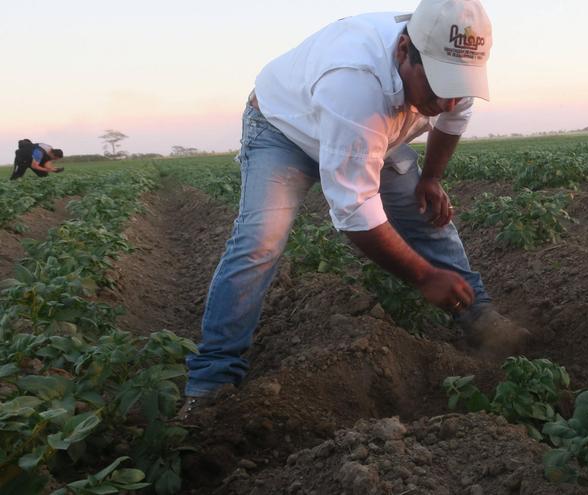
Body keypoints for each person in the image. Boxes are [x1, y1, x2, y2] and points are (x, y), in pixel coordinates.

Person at [181, 0, 531, 413]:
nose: (449, 101)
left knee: (427, 215)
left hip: (372, 133)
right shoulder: (354, 81)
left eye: (459, 89)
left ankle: (478, 315)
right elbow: (355, 212)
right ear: (404, 51)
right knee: (261, 240)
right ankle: (212, 379)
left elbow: (452, 121)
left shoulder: (452, 66)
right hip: (284, 130)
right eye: (438, 88)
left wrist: (432, 178)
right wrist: (423, 276)